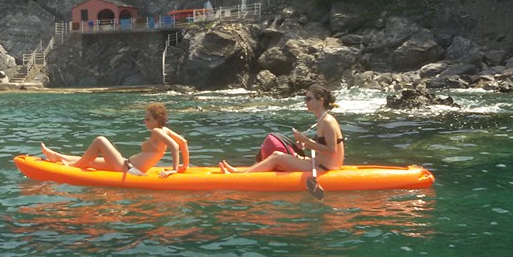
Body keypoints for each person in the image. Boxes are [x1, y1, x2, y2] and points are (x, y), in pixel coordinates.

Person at [219, 85, 344, 173]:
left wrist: (306, 141)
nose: (306, 102)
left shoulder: (328, 121)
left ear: (320, 101)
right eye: (305, 99)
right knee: (278, 155)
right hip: (318, 163)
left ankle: (242, 176)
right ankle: (242, 172)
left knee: (277, 156)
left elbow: (332, 150)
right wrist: (305, 144)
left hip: (325, 168)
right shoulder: (322, 120)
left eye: (309, 99)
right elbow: (322, 146)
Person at [41, 103, 189, 177]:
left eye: (147, 119)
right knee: (91, 161)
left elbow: (175, 146)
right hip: (127, 164)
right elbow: (184, 142)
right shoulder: (165, 130)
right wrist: (185, 165)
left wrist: (175, 170)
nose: (144, 122)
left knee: (100, 140)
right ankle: (58, 157)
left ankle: (72, 167)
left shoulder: (157, 131)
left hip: (129, 170)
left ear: (157, 120)